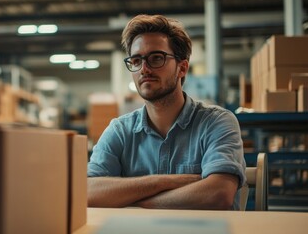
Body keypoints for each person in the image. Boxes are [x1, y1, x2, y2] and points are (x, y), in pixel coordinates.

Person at [87, 14, 246, 210]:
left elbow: (219, 194)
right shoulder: (120, 131)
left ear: (182, 68)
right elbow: (88, 191)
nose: (144, 69)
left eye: (156, 58)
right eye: (136, 61)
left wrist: (136, 202)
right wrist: (163, 182)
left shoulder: (216, 122)